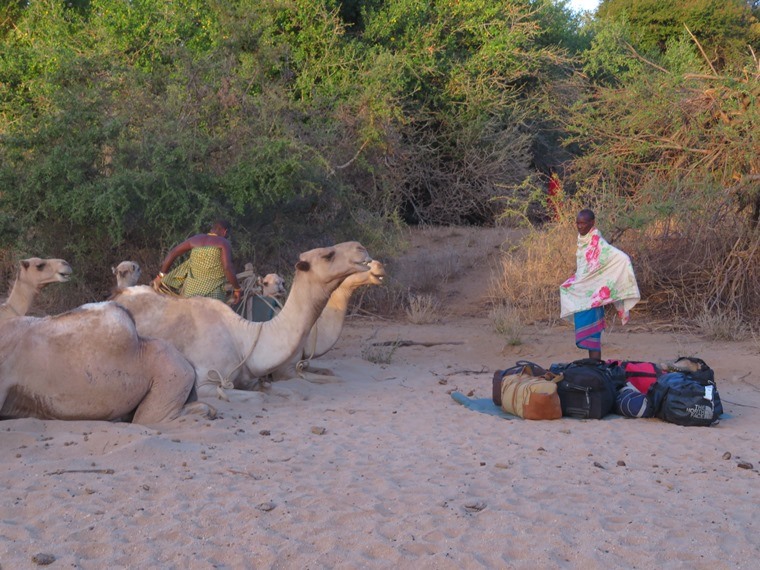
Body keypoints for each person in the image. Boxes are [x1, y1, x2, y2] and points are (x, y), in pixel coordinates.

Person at [559, 209, 640, 360]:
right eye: (578, 223)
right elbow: (586, 269)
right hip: (585, 292)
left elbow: (621, 258)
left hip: (592, 297)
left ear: (592, 223)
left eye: (583, 223)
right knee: (565, 290)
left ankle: (596, 369)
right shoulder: (583, 240)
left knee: (593, 340)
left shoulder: (597, 242)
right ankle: (594, 367)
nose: (580, 226)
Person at [152, 219, 242, 305]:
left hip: (190, 294)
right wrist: (237, 288)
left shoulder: (195, 239)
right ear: (225, 231)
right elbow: (227, 268)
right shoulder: (223, 242)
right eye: (227, 235)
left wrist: (161, 276)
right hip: (213, 297)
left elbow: (173, 253)